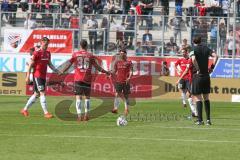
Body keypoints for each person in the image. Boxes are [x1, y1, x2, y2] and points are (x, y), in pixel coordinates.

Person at [61, 40, 110, 122]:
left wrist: (62, 71)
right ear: (87, 46)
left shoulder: (75, 54)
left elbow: (68, 64)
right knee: (87, 98)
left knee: (78, 97)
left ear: (80, 45)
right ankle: (86, 115)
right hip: (87, 78)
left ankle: (79, 116)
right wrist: (106, 72)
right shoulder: (90, 56)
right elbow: (97, 67)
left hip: (78, 78)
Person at [21, 37, 60, 118]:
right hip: (37, 75)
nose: (46, 46)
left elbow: (50, 64)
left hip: (43, 76)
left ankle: (24, 109)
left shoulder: (48, 53)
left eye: (47, 44)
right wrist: (27, 76)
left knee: (36, 94)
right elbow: (30, 65)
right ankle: (46, 113)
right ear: (41, 43)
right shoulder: (37, 53)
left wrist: (57, 71)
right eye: (45, 44)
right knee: (42, 92)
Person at [190, 36, 218, 125]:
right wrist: (212, 67)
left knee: (198, 99)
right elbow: (216, 56)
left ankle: (200, 120)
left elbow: (193, 59)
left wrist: (198, 68)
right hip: (206, 76)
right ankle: (208, 120)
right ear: (201, 41)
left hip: (198, 76)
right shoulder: (206, 48)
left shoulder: (193, 49)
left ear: (193, 42)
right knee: (206, 98)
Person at [175, 48, 197, 117]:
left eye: (184, 52)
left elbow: (188, 70)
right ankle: (185, 103)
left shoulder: (190, 60)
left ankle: (195, 112)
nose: (183, 53)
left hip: (188, 78)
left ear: (187, 52)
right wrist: (177, 70)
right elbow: (175, 65)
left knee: (190, 94)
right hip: (183, 77)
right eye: (182, 52)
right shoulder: (180, 60)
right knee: (181, 88)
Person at [111, 49, 133, 116]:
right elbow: (114, 71)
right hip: (119, 81)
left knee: (126, 96)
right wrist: (110, 74)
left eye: (123, 53)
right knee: (117, 94)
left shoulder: (129, 62)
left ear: (125, 54)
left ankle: (126, 109)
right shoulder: (117, 62)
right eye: (120, 53)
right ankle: (115, 108)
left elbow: (132, 71)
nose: (121, 55)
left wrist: (129, 78)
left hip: (126, 81)